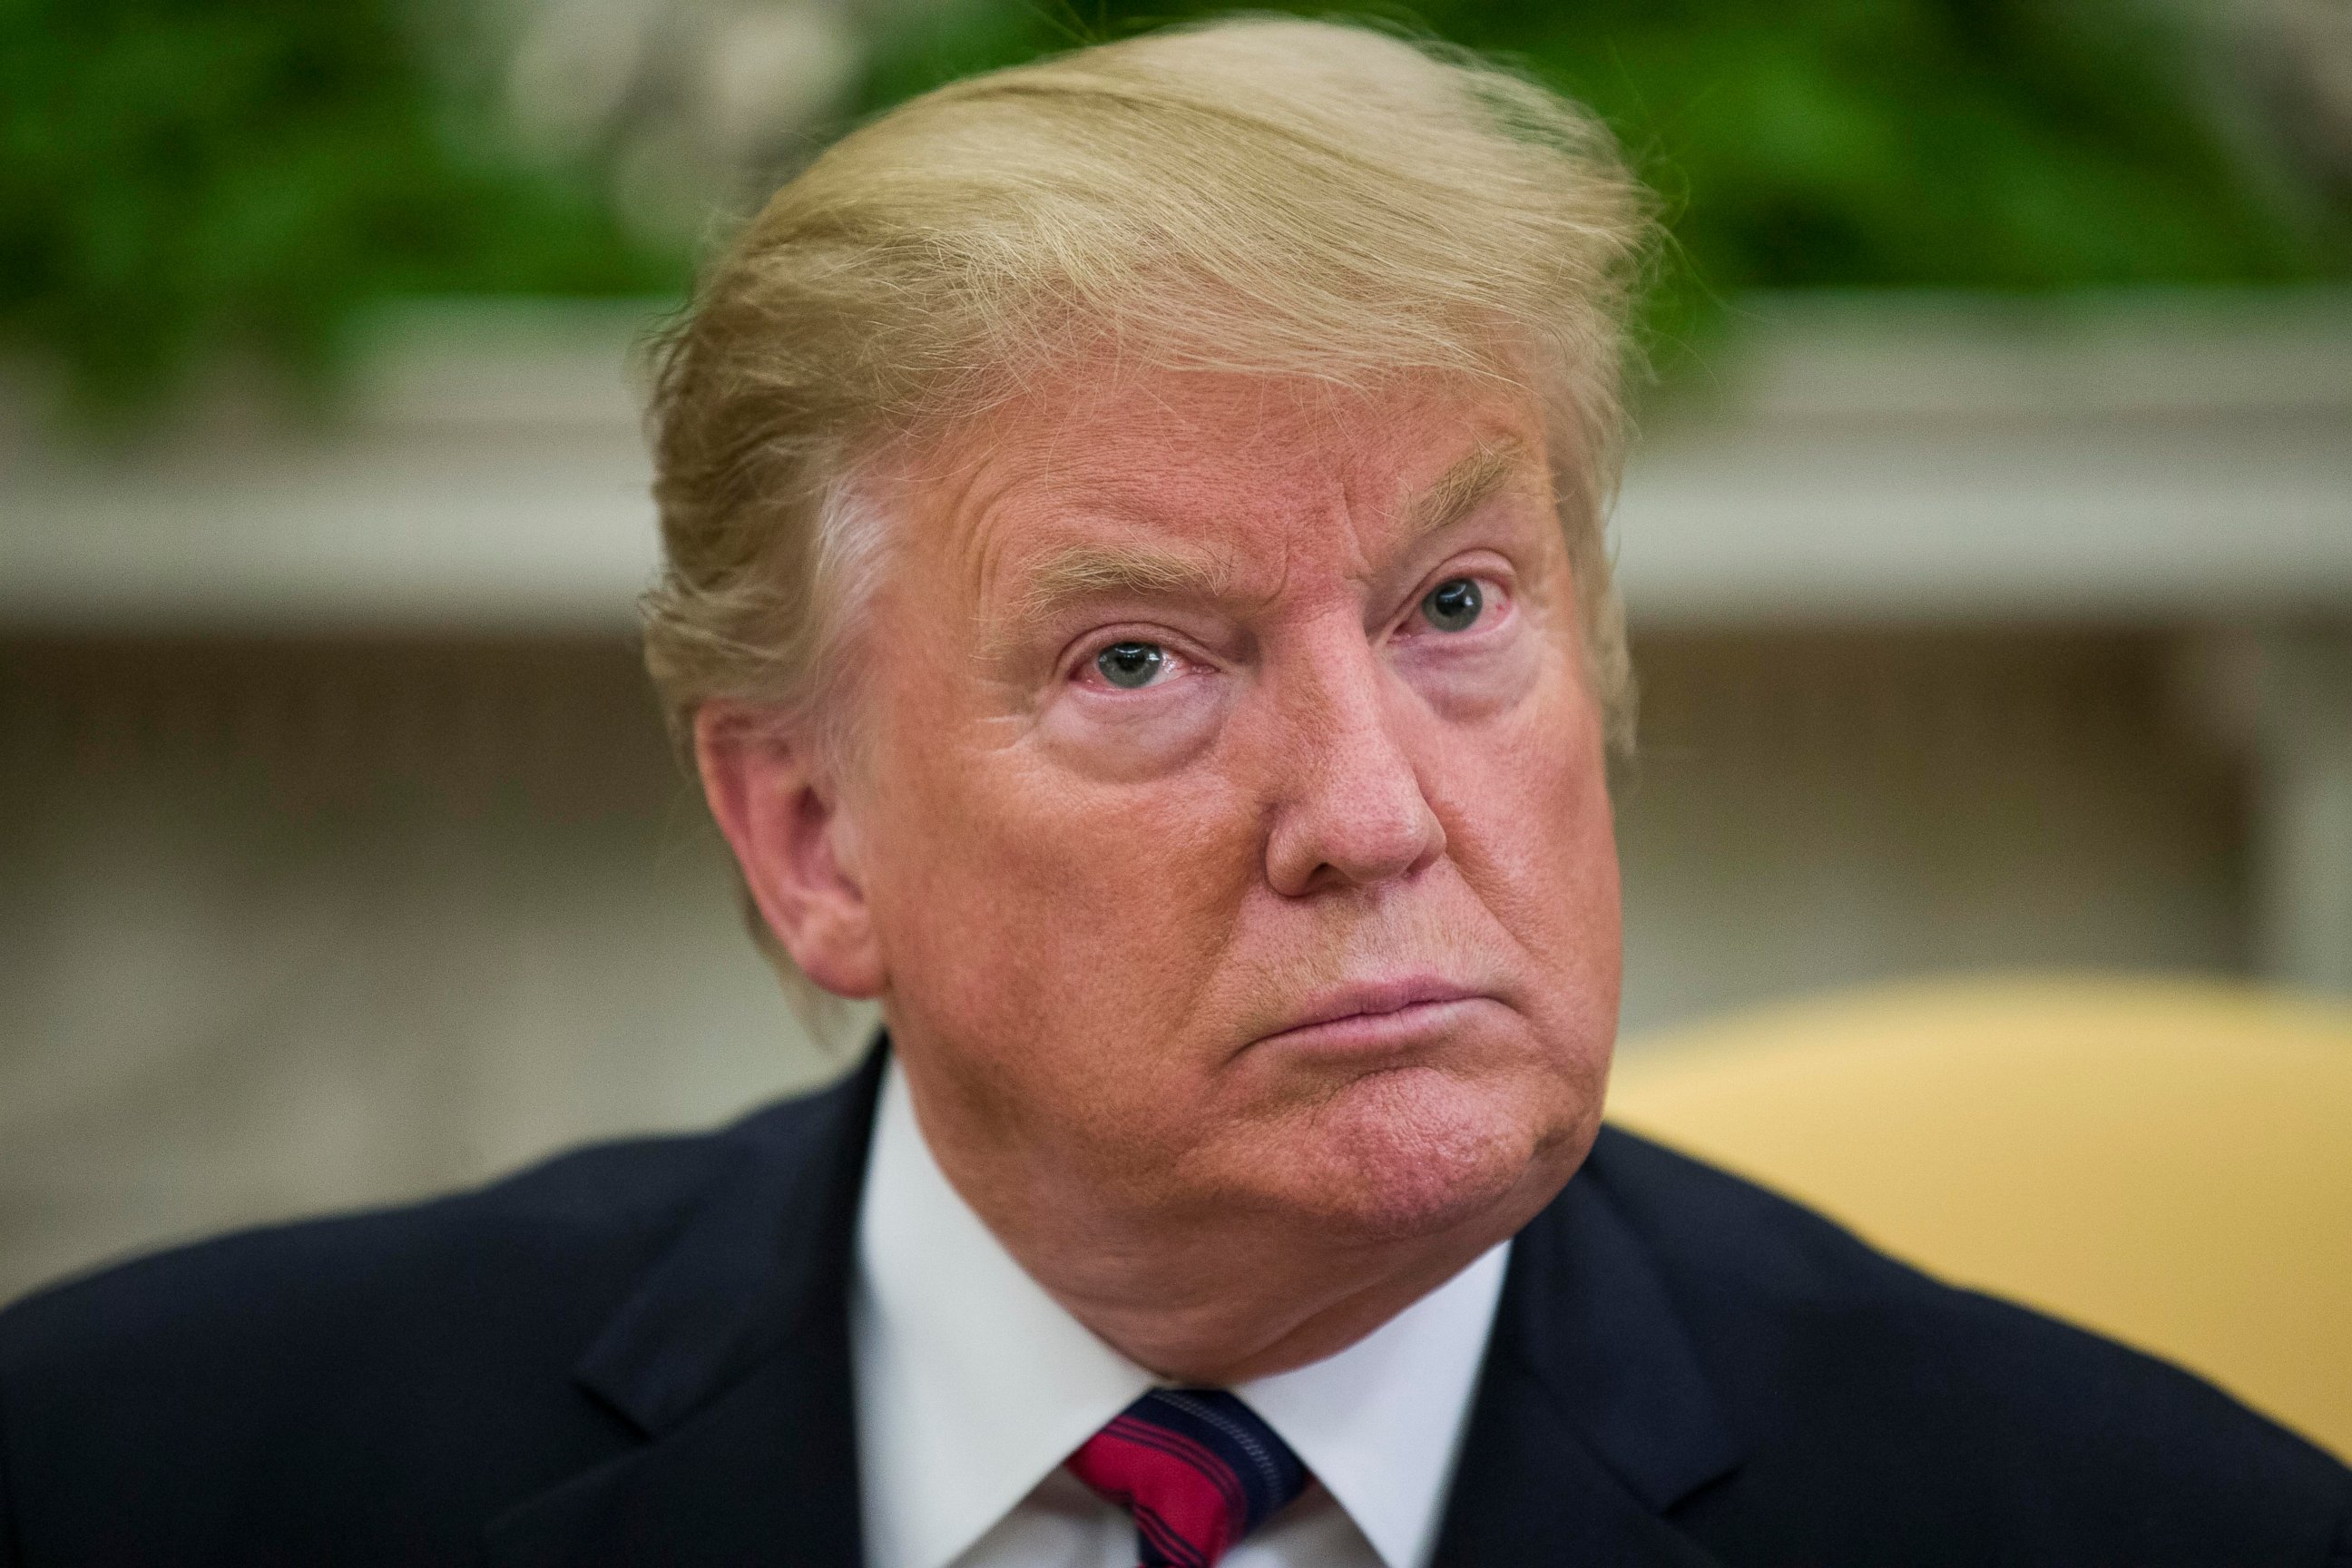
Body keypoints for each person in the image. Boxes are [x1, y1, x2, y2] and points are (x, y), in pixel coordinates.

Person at [1, 18, 2345, 1568]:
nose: (1370, 811)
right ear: (812, 838)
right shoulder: (140, 1478)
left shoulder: (2152, 1533)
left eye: (1453, 612)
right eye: (1142, 660)